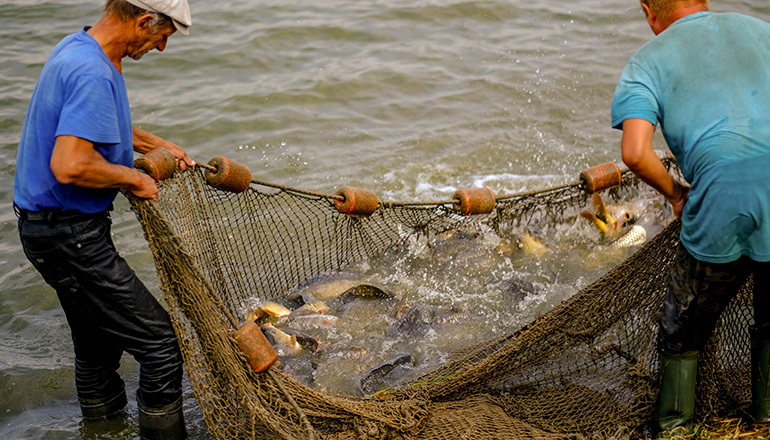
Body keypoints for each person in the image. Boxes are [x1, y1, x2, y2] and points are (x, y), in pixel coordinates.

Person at [13, 0, 195, 438]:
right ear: (144, 20)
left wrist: (154, 144)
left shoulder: (80, 48)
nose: (162, 47)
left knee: (96, 346)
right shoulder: (93, 71)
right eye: (163, 35)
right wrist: (133, 177)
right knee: (161, 348)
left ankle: (102, 429)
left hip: (48, 227)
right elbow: (71, 165)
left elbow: (91, 121)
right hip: (67, 232)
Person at [611, 0, 770, 434]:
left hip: (722, 199)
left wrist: (677, 193)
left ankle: (676, 426)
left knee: (682, 330)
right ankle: (765, 416)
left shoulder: (645, 63)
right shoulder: (760, 29)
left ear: (649, 11)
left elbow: (635, 153)